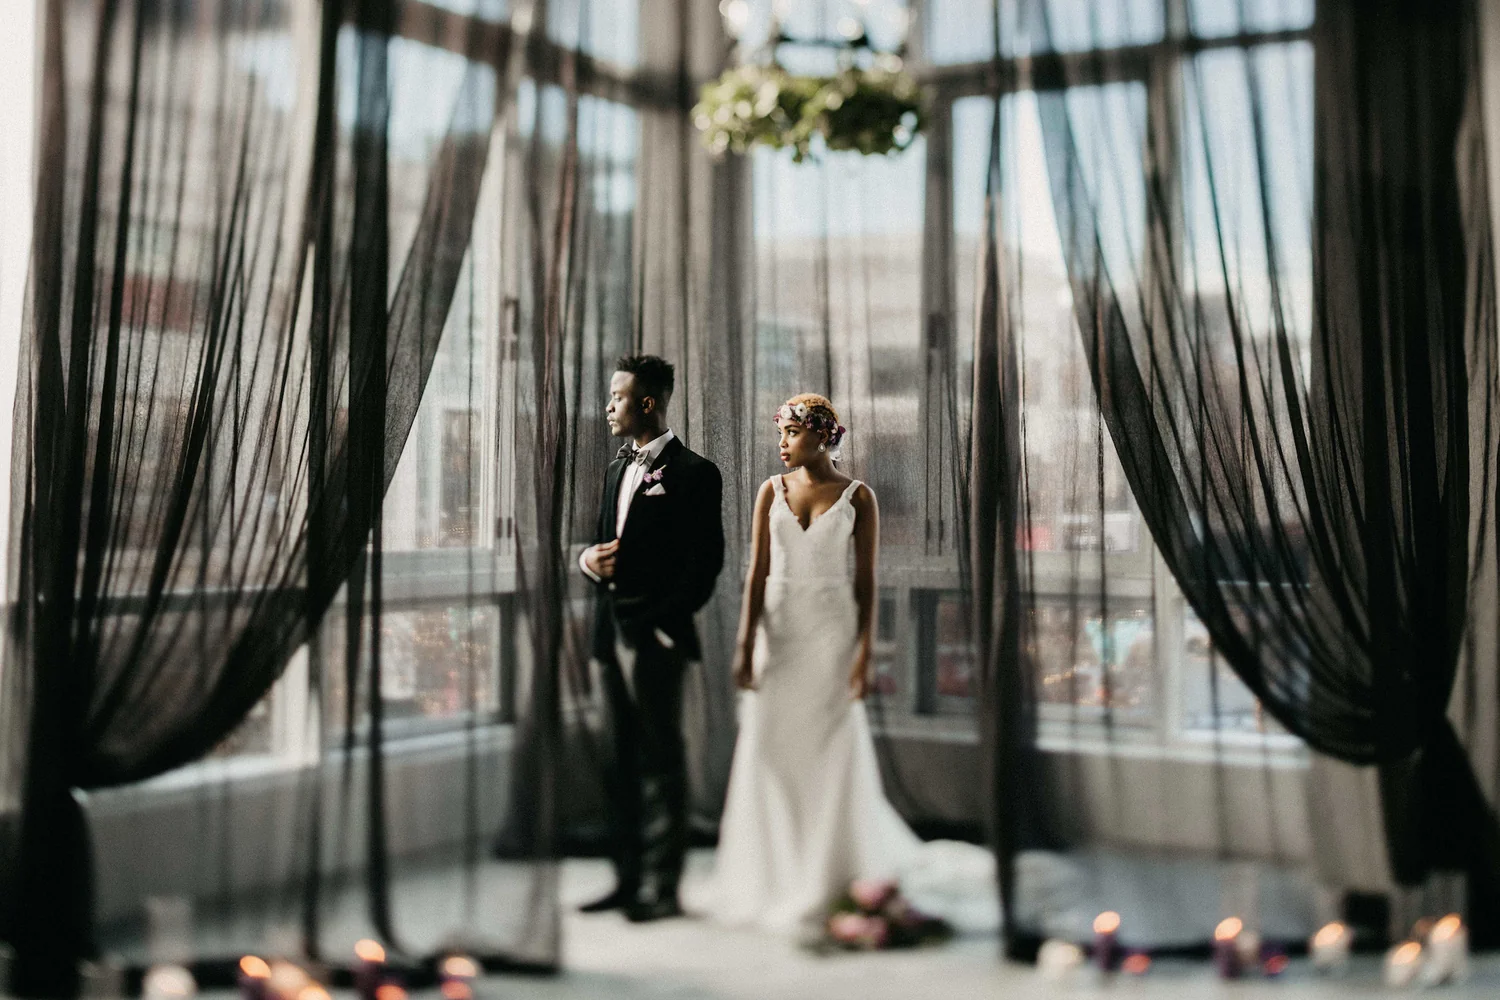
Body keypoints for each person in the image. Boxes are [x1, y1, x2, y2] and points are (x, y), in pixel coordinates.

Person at [701, 393, 929, 935]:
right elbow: (755, 572)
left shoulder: (859, 496)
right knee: (770, 743)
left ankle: (831, 868)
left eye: (792, 433)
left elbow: (866, 581)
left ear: (823, 435)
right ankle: (774, 866)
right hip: (778, 634)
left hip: (831, 632)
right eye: (780, 433)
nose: (782, 444)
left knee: (829, 747)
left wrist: (865, 653)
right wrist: (742, 644)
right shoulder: (768, 491)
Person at [576, 355, 725, 922]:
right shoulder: (616, 467)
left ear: (647, 403)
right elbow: (601, 544)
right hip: (607, 634)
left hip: (656, 636)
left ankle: (662, 888)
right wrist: (588, 561)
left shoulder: (695, 473)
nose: (607, 407)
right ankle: (626, 879)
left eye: (616, 397)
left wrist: (664, 625)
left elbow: (705, 565)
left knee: (661, 761)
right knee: (616, 760)